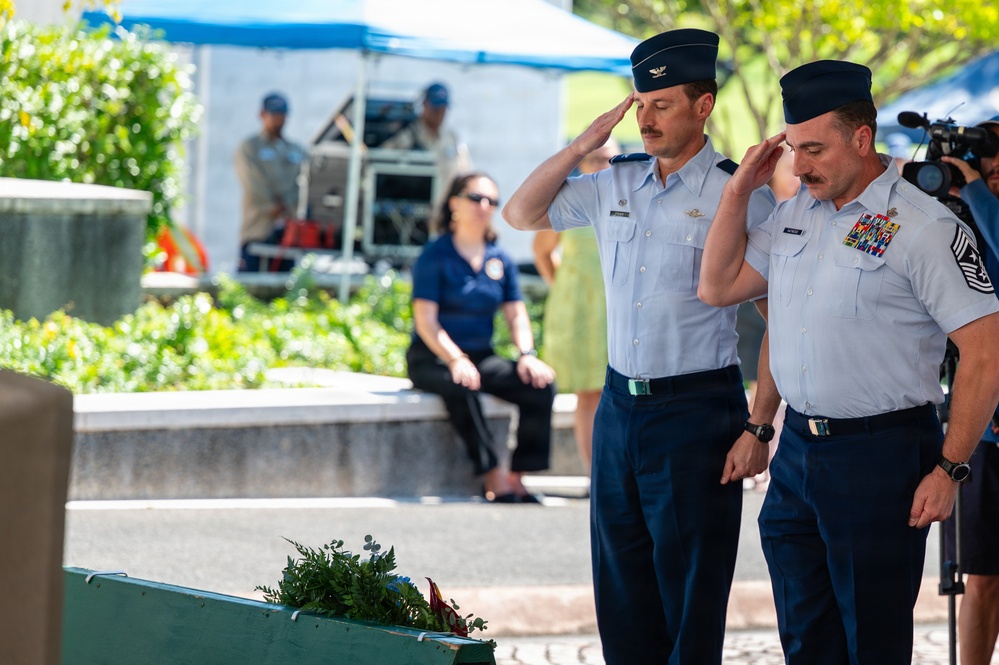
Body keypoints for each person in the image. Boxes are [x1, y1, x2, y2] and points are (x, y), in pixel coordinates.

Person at [697, 60, 999, 664]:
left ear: (862, 139)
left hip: (880, 457)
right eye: (792, 150)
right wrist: (737, 191)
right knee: (806, 641)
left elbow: (987, 350)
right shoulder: (792, 218)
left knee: (872, 642)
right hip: (798, 456)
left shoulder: (922, 225)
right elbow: (719, 286)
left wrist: (951, 467)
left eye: (814, 149)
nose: (800, 165)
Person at [502, 29, 781, 664]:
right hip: (619, 410)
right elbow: (521, 214)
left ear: (703, 105)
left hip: (696, 412)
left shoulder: (739, 195)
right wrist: (581, 145)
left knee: (688, 598)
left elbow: (779, 322)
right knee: (620, 589)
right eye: (640, 102)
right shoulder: (614, 183)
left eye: (663, 104)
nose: (646, 118)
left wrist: (759, 427)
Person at [406, 172, 556, 504]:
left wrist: (527, 354)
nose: (484, 206)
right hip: (433, 357)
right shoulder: (435, 255)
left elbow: (516, 313)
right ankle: (493, 476)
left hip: (480, 355)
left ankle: (518, 477)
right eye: (476, 198)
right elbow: (426, 321)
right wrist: (456, 359)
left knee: (540, 386)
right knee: (463, 384)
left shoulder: (499, 258)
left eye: (492, 201)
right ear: (454, 204)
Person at [940, 114, 999, 665]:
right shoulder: (953, 214)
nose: (996, 164)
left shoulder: (983, 205)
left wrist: (977, 194)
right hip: (980, 432)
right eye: (988, 153)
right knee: (979, 578)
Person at [531, 138, 619, 472]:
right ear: (581, 164)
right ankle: (595, 474)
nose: (601, 166)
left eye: (609, 159)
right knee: (589, 393)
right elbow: (541, 251)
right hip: (581, 309)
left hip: (620, 307)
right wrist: (564, 288)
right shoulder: (572, 200)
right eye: (594, 159)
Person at [234, 92, 306, 272]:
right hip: (257, 230)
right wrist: (273, 207)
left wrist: (291, 207)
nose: (278, 120)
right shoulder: (251, 147)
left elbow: (306, 185)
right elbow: (253, 184)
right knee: (250, 291)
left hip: (288, 237)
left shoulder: (296, 150)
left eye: (282, 115)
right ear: (262, 115)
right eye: (273, 115)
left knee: (284, 292)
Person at [382, 82, 472, 202]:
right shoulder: (407, 137)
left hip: (445, 211)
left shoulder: (452, 139)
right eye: (435, 108)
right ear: (424, 104)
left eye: (443, 108)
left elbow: (466, 174)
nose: (439, 113)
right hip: (415, 209)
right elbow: (381, 163)